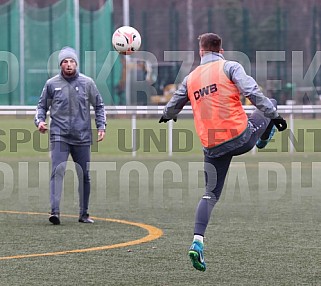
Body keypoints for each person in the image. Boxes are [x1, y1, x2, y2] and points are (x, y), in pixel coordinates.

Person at [159, 33, 287, 271]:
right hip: (241, 137)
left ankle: (197, 241)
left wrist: (166, 115)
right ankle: (263, 138)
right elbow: (254, 93)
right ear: (221, 51)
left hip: (212, 145)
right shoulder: (230, 66)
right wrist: (275, 117)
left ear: (201, 52)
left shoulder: (191, 77)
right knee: (273, 103)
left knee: (210, 194)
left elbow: (174, 103)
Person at [34, 46, 106, 225]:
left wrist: (101, 125)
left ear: (76, 63)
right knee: (57, 172)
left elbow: (99, 105)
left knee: (84, 175)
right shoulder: (52, 84)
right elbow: (41, 106)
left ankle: (84, 214)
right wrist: (40, 122)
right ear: (60, 64)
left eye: (71, 61)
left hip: (82, 137)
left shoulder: (87, 83)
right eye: (65, 61)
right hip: (59, 136)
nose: (68, 64)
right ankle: (55, 212)